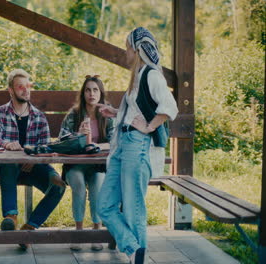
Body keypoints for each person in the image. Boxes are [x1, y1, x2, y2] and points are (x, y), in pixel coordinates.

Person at [97, 27, 178, 264]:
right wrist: (115, 112)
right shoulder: (139, 75)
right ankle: (133, 249)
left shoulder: (152, 75)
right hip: (123, 144)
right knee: (105, 206)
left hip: (137, 145)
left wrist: (149, 127)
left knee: (133, 209)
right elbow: (135, 110)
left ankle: (137, 257)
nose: (126, 52)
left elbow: (169, 107)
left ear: (138, 49)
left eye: (127, 47)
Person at [0, 69, 66, 250]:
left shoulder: (38, 117)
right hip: (10, 169)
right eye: (20, 87)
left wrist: (35, 158)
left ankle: (29, 229)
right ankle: (10, 217)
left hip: (34, 167)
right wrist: (6, 144)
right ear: (11, 90)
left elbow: (46, 146)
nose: (26, 90)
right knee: (8, 163)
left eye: (28, 86)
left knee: (59, 186)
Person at [58, 75, 114, 252]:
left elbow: (115, 141)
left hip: (98, 164)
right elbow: (61, 140)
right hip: (76, 164)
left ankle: (96, 232)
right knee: (79, 186)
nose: (91, 93)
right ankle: (79, 232)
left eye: (95, 90)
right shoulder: (74, 115)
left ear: (101, 93)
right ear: (83, 94)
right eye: (88, 90)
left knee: (97, 185)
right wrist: (78, 136)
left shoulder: (107, 114)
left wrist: (97, 145)